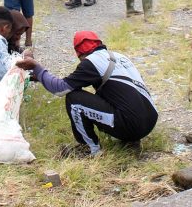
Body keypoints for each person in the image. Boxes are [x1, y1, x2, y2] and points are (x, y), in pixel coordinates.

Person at [16, 30, 158, 157]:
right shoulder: (119, 57)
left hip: (132, 125)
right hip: (150, 119)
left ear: (79, 53)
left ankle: (90, 149)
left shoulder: (91, 62)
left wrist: (37, 67)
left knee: (74, 99)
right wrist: (41, 77)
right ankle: (131, 139)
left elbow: (60, 89)